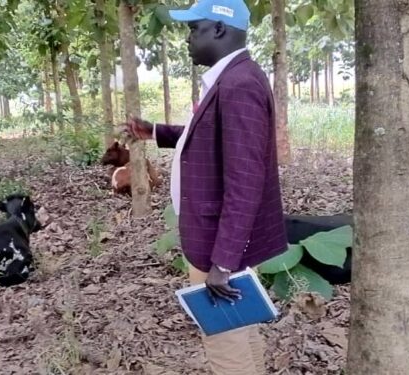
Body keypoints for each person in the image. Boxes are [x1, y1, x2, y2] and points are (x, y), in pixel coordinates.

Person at [121, 0, 288, 373]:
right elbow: (215, 140)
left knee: (225, 345)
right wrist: (155, 132)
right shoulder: (235, 77)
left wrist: (223, 262)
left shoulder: (237, 85)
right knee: (241, 331)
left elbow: (245, 180)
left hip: (218, 242)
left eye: (194, 29)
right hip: (223, 238)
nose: (187, 40)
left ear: (219, 30)